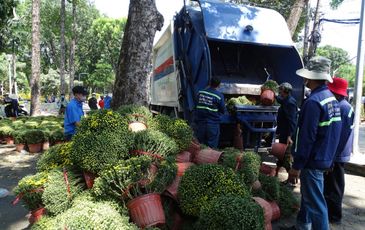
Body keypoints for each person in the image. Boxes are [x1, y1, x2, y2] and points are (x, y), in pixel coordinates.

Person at [285, 56, 342, 230]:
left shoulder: (313, 102)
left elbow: (306, 137)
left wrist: (297, 165)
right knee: (309, 196)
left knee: (316, 205)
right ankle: (303, 226)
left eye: (306, 76)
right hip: (324, 158)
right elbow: (335, 134)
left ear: (311, 77)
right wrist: (331, 159)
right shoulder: (331, 99)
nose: (304, 79)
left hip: (312, 161)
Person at [324, 77, 354, 225]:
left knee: (334, 187)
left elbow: (340, 136)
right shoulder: (344, 106)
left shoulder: (341, 107)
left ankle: (335, 217)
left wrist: (332, 157)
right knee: (332, 185)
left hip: (337, 155)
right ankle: (331, 214)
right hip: (340, 154)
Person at [194, 76, 226, 148]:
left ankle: (200, 158)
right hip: (212, 125)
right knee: (211, 146)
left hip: (200, 124)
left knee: (200, 145)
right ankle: (209, 158)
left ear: (209, 83)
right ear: (219, 85)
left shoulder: (200, 93)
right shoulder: (219, 96)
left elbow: (196, 105)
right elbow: (223, 110)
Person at [275, 82, 298, 175]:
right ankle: (276, 173)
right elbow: (281, 100)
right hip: (283, 131)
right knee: (281, 154)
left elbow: (292, 121)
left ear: (285, 91)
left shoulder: (290, 103)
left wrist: (290, 135)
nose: (279, 92)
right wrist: (274, 94)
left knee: (286, 155)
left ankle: (292, 177)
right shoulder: (286, 100)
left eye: (281, 90)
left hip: (287, 133)